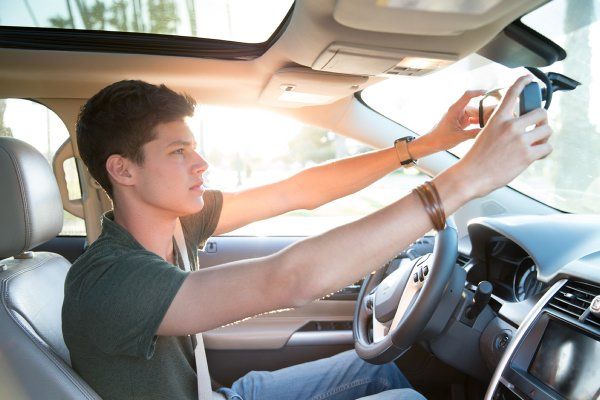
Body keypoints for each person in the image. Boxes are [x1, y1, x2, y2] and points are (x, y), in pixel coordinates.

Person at [62, 75, 551, 400]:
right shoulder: (111, 280)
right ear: (122, 170)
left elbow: (300, 191)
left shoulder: (176, 223)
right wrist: (463, 182)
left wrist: (424, 147)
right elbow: (288, 278)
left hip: (217, 394)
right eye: (177, 151)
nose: (201, 163)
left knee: (391, 370)